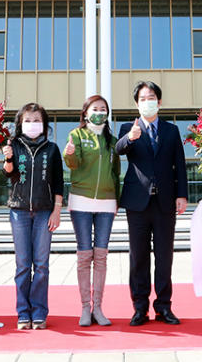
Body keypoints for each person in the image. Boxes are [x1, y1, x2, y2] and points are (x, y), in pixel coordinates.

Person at [115, 81, 188, 327]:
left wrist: (182, 194)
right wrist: (129, 138)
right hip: (138, 203)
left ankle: (164, 306)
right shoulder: (128, 127)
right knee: (138, 257)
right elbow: (118, 150)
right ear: (137, 103)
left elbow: (180, 163)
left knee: (165, 256)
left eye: (152, 97)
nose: (148, 101)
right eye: (143, 98)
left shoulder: (171, 130)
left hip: (165, 202)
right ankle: (140, 307)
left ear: (159, 101)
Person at [3, 102, 63, 329]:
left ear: (44, 124)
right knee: (22, 265)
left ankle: (39, 311)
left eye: (37, 120)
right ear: (20, 123)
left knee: (42, 264)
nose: (32, 124)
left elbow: (58, 182)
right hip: (18, 210)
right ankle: (22, 313)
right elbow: (9, 174)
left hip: (44, 211)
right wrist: (8, 158)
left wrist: (57, 211)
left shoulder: (52, 148)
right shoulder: (13, 145)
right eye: (27, 120)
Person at [64, 95, 120, 327]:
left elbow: (116, 172)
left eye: (103, 109)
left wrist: (116, 199)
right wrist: (69, 153)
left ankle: (98, 307)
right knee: (84, 255)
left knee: (101, 256)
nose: (99, 112)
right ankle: (85, 308)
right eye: (95, 108)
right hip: (81, 202)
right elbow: (73, 164)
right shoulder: (76, 135)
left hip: (106, 203)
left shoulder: (112, 140)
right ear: (85, 112)